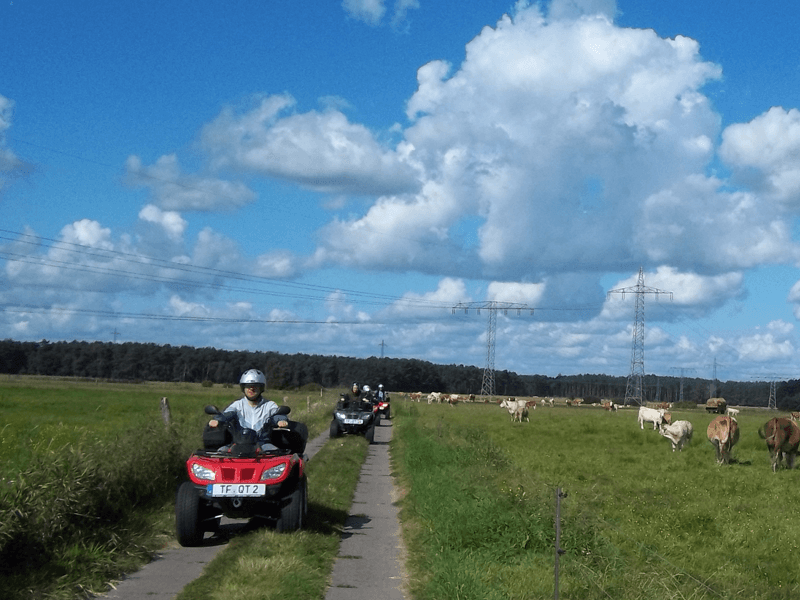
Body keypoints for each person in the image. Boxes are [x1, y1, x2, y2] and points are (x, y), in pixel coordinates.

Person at [208, 369, 288, 451]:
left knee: (275, 453)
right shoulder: (237, 405)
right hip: (238, 443)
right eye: (248, 386)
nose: (251, 389)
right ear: (243, 388)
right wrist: (217, 420)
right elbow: (226, 414)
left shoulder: (269, 405)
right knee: (221, 452)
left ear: (261, 388)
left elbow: (277, 414)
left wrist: (280, 420)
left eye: (255, 386)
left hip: (263, 443)